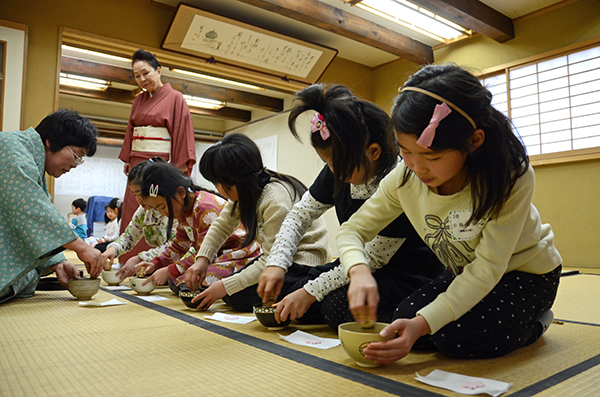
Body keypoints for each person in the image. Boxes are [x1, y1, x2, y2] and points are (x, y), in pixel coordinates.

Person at [337, 64, 562, 363]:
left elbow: (487, 269)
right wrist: (358, 270)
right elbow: (352, 230)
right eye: (405, 152)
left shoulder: (509, 176)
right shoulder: (404, 178)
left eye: (432, 156)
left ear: (474, 141)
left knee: (455, 338)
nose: (417, 167)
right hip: (463, 272)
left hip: (526, 275)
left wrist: (422, 325)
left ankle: (537, 324)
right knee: (403, 319)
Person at [257, 84, 443, 330]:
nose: (333, 172)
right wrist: (276, 263)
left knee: (335, 307)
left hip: (403, 272)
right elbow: (299, 215)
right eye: (327, 163)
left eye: (337, 164)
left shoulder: (401, 182)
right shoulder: (339, 171)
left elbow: (373, 257)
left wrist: (310, 292)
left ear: (373, 151)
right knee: (287, 289)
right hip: (355, 263)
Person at [186, 133, 332, 312]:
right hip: (276, 261)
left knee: (234, 295)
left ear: (236, 181)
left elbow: (275, 258)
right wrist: (202, 260)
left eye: (218, 183)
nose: (217, 189)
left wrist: (225, 287)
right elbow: (221, 226)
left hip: (302, 263)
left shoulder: (274, 200)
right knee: (229, 291)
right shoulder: (245, 194)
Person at [0, 109, 105, 303]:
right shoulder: (10, 148)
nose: (75, 164)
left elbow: (38, 215)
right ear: (51, 141)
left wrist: (58, 263)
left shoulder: (31, 160)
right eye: (77, 155)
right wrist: (81, 247)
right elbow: (32, 209)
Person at [118, 48, 196, 265]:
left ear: (158, 70)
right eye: (137, 76)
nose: (142, 79)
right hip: (137, 163)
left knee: (159, 209)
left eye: (146, 73)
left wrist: (177, 170)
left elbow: (182, 134)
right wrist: (128, 158)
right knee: (136, 207)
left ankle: (159, 261)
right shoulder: (138, 100)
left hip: (159, 165)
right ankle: (129, 260)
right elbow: (130, 130)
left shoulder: (175, 98)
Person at [136, 161, 261, 290]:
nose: (163, 213)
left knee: (192, 280)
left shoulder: (204, 207)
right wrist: (156, 264)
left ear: (181, 193)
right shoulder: (185, 211)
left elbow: (205, 252)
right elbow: (179, 246)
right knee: (178, 280)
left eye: (162, 206)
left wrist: (169, 270)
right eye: (157, 209)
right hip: (215, 257)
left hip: (239, 256)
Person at [101, 158, 178, 280]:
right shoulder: (143, 212)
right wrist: (113, 249)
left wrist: (140, 258)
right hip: (160, 265)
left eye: (140, 193)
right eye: (134, 194)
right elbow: (128, 237)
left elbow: (176, 246)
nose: (139, 200)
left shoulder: (174, 209)